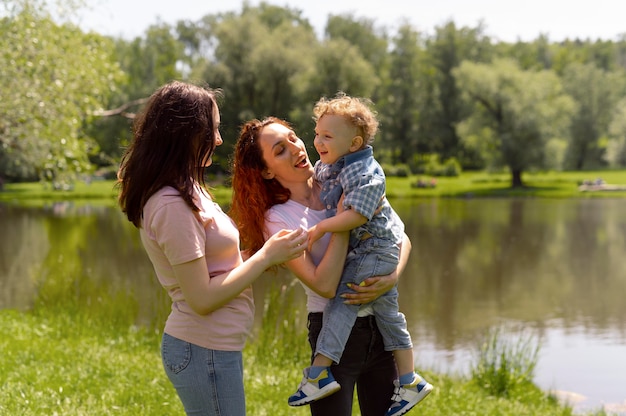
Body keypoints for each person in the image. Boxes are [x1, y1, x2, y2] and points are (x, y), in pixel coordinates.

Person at [116, 81, 307, 416]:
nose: (219, 140)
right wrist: (263, 258)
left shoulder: (189, 188)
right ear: (186, 134)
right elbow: (201, 299)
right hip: (202, 349)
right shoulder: (170, 204)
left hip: (213, 348)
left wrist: (264, 252)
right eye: (213, 130)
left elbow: (216, 270)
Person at [229, 116, 413, 416]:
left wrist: (393, 275)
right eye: (280, 150)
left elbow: (400, 235)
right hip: (332, 336)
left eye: (292, 138)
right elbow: (325, 285)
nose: (296, 147)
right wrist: (339, 223)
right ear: (266, 171)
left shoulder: (340, 173)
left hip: (380, 329)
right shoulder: (279, 220)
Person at [301, 93, 432, 416]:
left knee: (347, 297)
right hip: (376, 249)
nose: (318, 141)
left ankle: (319, 370)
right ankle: (410, 380)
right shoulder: (332, 164)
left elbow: (357, 214)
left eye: (328, 136)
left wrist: (322, 228)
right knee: (389, 316)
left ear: (355, 143)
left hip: (376, 248)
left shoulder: (366, 174)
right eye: (317, 133)